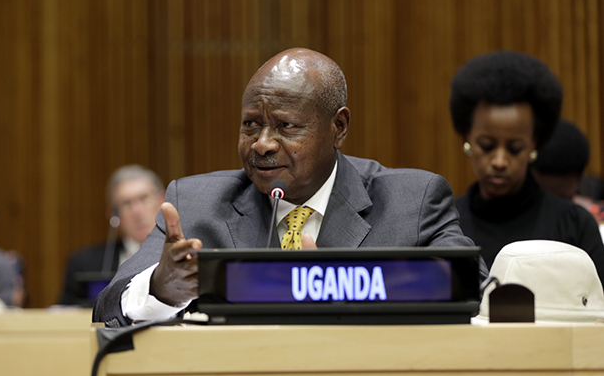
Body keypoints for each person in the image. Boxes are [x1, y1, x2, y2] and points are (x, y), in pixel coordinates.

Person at [93, 47, 488, 327]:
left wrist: (344, 286)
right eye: (250, 124)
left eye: (286, 126)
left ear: (338, 127)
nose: (262, 144)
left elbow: (475, 293)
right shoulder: (194, 205)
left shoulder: (412, 202)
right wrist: (162, 289)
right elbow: (108, 307)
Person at [450, 50, 604, 284]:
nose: (499, 161)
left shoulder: (574, 225)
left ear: (535, 143)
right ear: (467, 138)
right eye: (487, 145)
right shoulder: (447, 226)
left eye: (515, 148)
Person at [58, 165, 165, 305]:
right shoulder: (85, 264)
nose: (137, 211)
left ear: (163, 201)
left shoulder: (190, 254)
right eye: (126, 204)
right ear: (113, 215)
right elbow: (65, 318)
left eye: (144, 198)